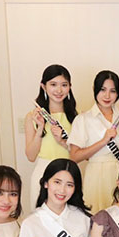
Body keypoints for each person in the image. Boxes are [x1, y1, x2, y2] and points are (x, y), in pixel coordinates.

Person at [68, 70, 119, 213]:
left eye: (112, 91)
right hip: (95, 175)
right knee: (96, 216)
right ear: (95, 89)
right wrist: (103, 141)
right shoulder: (83, 119)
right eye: (103, 90)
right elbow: (74, 157)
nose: (107, 96)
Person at [24, 64, 77, 210]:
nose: (59, 90)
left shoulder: (76, 117)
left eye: (64, 85)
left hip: (69, 174)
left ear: (70, 87)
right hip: (43, 173)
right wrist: (40, 128)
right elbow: (31, 156)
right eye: (53, 84)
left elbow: (81, 154)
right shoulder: (32, 117)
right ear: (43, 86)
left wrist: (62, 142)